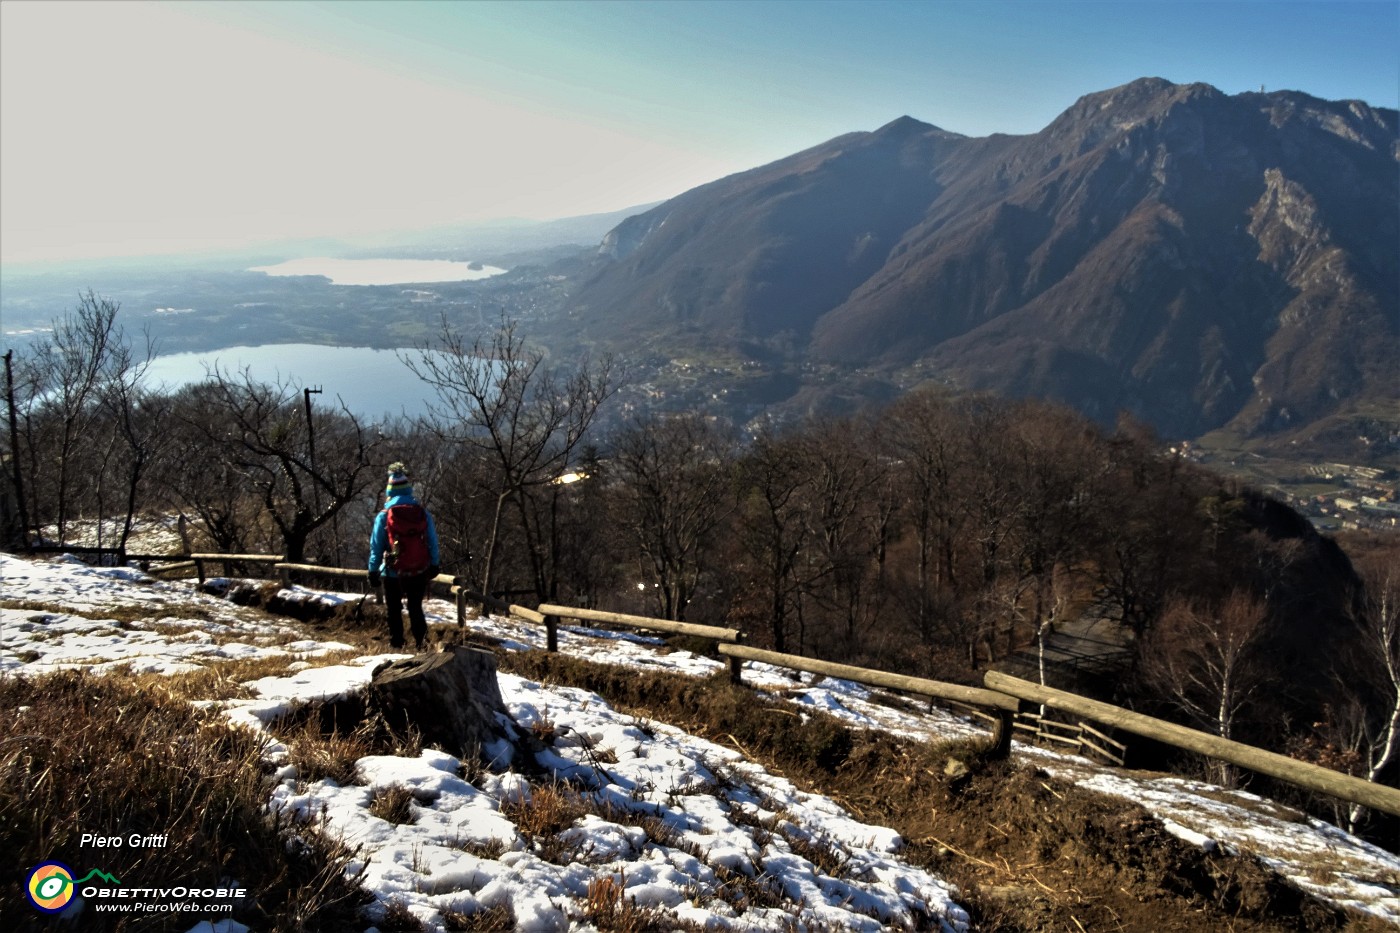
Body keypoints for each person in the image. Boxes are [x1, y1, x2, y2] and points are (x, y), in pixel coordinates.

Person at [367, 463, 440, 650]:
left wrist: (373, 570)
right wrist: (434, 564)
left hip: (392, 572)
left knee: (394, 610)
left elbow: (375, 547)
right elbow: (432, 540)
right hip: (418, 570)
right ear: (409, 490)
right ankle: (422, 645)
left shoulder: (384, 516)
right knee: (416, 608)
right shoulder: (422, 513)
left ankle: (397, 645)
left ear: (389, 492)